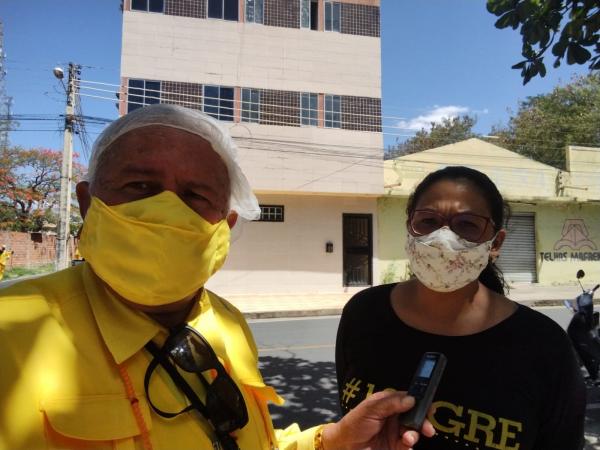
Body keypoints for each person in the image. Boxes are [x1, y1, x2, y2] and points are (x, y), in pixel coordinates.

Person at [0, 104, 434, 450]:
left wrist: (331, 441)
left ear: (223, 225)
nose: (168, 212)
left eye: (195, 195)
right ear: (88, 203)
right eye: (140, 187)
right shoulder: (11, 330)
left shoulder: (227, 323)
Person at [336, 166, 586, 450]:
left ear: (496, 243)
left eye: (466, 224)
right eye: (428, 221)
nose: (444, 239)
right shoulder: (363, 314)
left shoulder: (546, 346)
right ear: (409, 228)